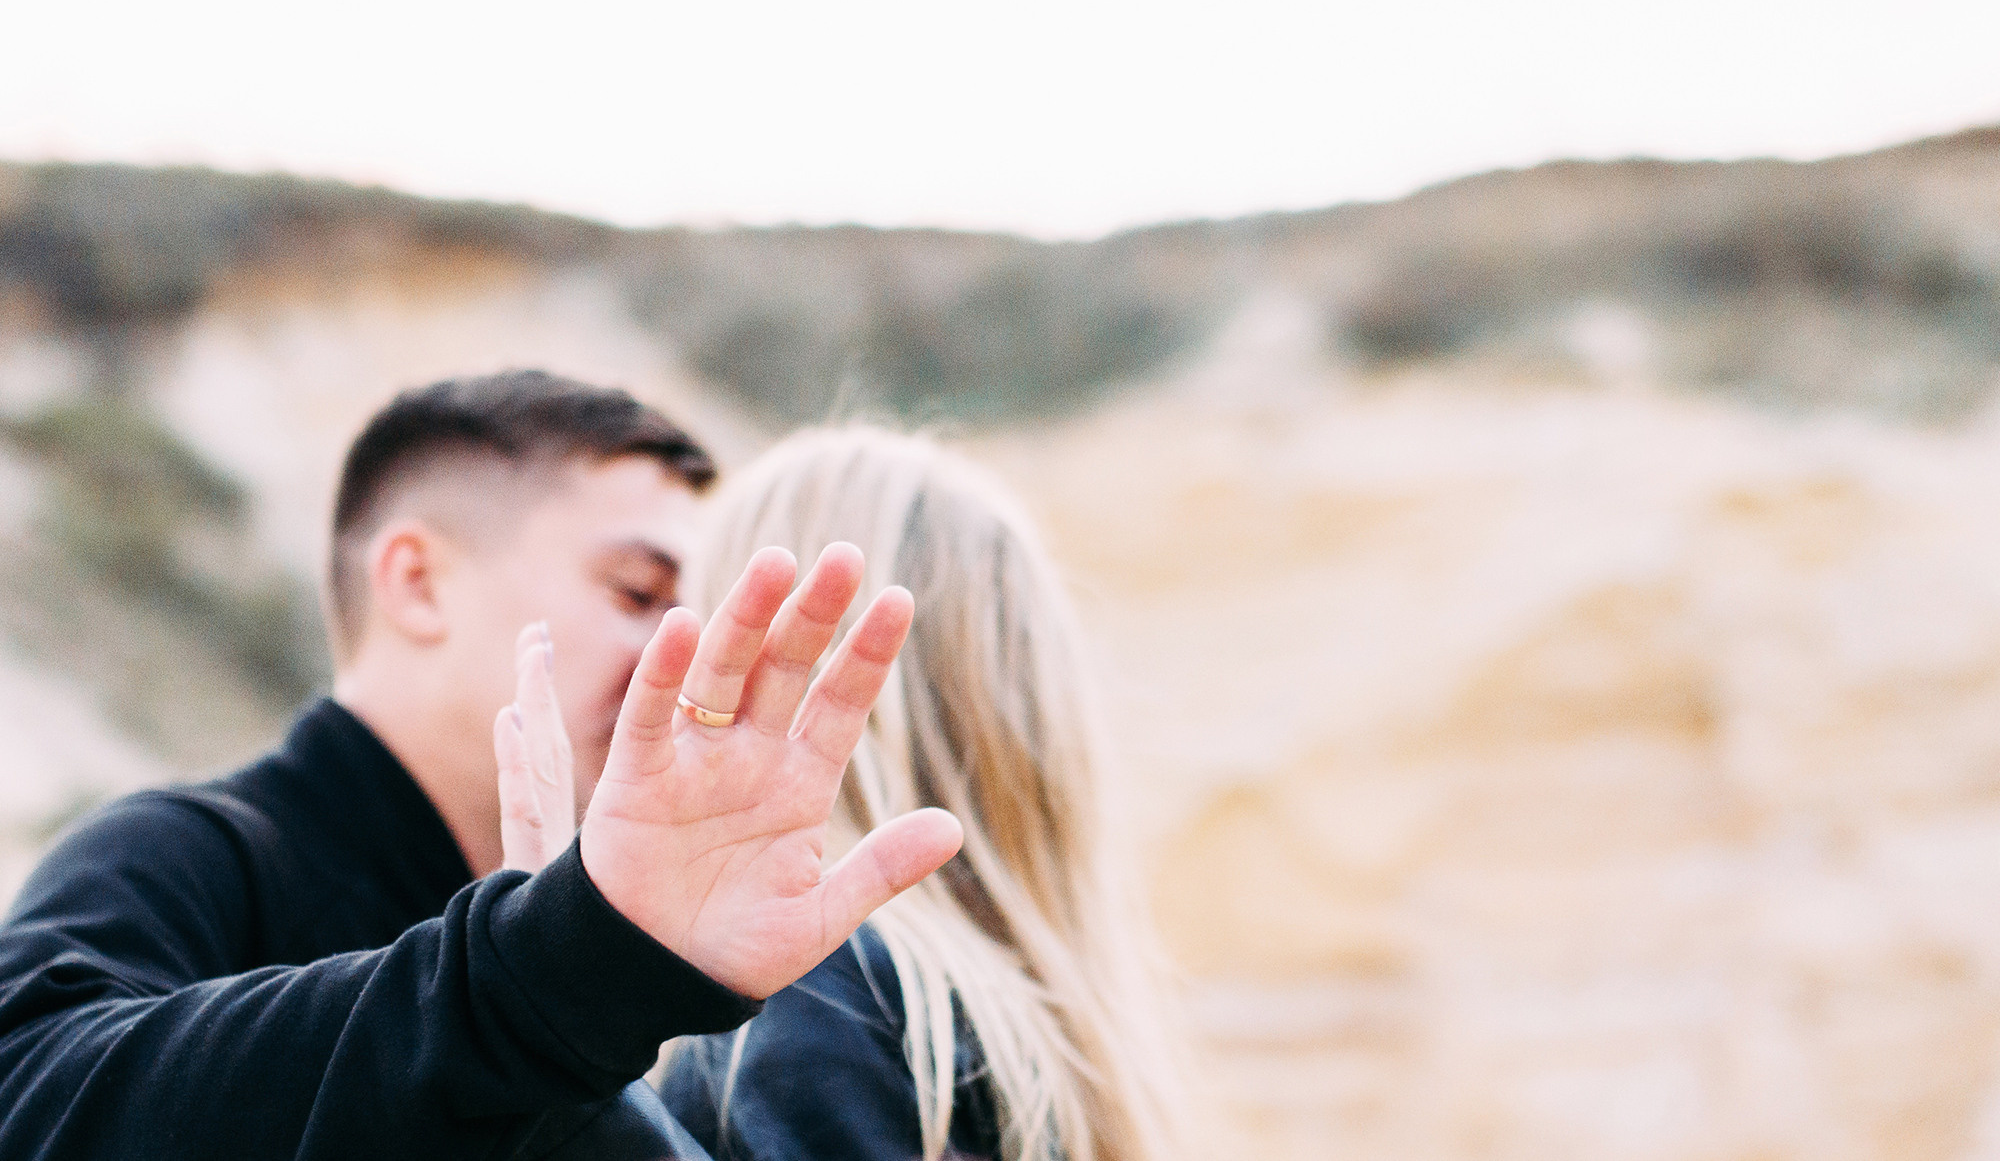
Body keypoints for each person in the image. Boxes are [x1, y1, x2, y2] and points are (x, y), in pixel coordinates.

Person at [0, 372, 962, 1159]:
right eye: (639, 593)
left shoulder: (640, 953)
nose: (681, 652)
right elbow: (29, 1101)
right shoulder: (182, 854)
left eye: (696, 611)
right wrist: (537, 981)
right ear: (418, 583)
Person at [503, 426, 1190, 1161]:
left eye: (688, 609)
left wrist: (556, 1045)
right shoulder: (1025, 1018)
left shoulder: (808, 994)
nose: (653, 658)